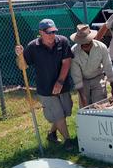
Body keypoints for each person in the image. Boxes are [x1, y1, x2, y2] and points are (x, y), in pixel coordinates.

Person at [15, 19, 76, 147]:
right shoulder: (33, 46)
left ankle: (51, 134)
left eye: (53, 32)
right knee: (58, 114)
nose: (52, 35)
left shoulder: (63, 41)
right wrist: (20, 55)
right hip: (45, 88)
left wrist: (60, 82)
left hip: (62, 85)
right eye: (48, 32)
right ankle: (68, 140)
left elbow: (67, 62)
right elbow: (23, 67)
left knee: (66, 111)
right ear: (41, 33)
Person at [70, 24, 113, 107]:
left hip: (98, 78)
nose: (85, 44)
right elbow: (76, 75)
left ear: (92, 38)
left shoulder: (101, 47)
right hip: (83, 81)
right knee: (85, 108)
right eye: (83, 43)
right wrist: (82, 97)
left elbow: (108, 66)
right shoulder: (73, 52)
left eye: (87, 41)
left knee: (100, 105)